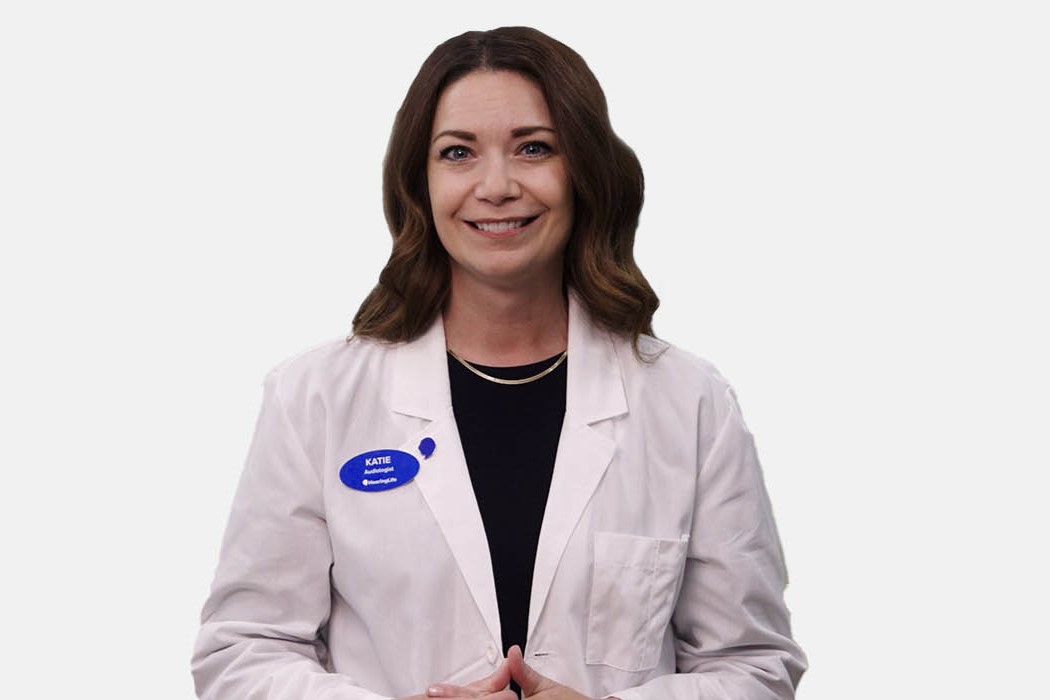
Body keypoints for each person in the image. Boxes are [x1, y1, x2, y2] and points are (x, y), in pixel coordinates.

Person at [192, 26, 806, 700]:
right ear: (418, 183)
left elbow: (754, 666)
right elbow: (243, 652)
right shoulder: (314, 398)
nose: (496, 185)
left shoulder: (689, 401)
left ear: (584, 172)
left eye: (534, 148)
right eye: (458, 153)